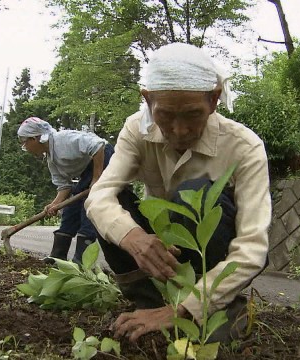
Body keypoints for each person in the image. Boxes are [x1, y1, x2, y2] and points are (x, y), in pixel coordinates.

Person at [84, 43, 271, 343]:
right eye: (167, 115)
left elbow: (252, 248)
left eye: (192, 115)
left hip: (212, 261)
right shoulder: (136, 131)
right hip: (160, 254)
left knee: (192, 194)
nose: (180, 129)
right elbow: (99, 196)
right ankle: (150, 303)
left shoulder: (244, 146)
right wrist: (133, 237)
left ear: (214, 100)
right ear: (147, 101)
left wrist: (184, 308)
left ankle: (203, 307)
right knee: (110, 204)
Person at [17, 117, 113, 265]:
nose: (25, 148)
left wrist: (96, 179)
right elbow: (64, 187)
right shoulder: (51, 158)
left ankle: (81, 261)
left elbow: (97, 146)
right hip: (88, 171)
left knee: (88, 206)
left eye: (25, 143)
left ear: (35, 138)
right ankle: (57, 256)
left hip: (104, 158)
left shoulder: (64, 140)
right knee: (70, 208)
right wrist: (54, 204)